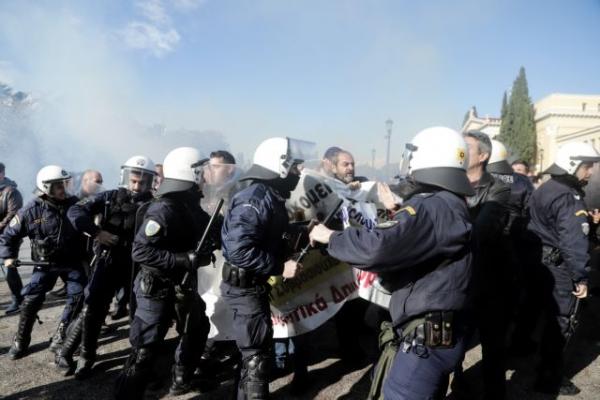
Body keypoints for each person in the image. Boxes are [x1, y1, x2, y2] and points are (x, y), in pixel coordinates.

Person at [310, 126, 474, 399]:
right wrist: (399, 213)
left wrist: (330, 237)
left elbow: (377, 248)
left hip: (425, 341)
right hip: (441, 331)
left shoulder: (430, 206)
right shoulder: (450, 202)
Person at [115, 147, 216, 399]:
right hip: (156, 285)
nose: (205, 177)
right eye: (201, 172)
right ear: (189, 173)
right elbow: (140, 252)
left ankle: (181, 379)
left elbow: (212, 227)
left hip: (181, 284)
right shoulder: (164, 209)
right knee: (145, 350)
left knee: (197, 329)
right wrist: (183, 259)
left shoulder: (189, 205)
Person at [220, 137, 312, 399]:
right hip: (244, 289)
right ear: (279, 166)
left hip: (252, 287)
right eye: (294, 167)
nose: (298, 172)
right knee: (256, 361)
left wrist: (303, 231)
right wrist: (280, 267)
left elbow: (271, 232)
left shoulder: (267, 196)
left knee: (254, 355)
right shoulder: (256, 198)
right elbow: (239, 251)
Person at [55, 156, 157, 379]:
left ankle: (138, 360)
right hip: (108, 260)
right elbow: (75, 212)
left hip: (138, 266)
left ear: (150, 182)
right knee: (93, 309)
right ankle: (86, 356)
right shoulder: (109, 197)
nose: (136, 186)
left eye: (142, 182)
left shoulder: (155, 204)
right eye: (133, 181)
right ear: (125, 177)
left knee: (140, 313)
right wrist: (97, 232)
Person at [526, 141, 600, 395]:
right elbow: (573, 242)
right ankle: (549, 378)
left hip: (540, 263)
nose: (590, 171)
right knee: (562, 323)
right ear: (572, 164)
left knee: (544, 317)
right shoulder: (569, 196)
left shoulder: (547, 188)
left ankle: (535, 362)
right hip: (559, 269)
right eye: (587, 166)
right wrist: (581, 278)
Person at [0, 165, 86, 359]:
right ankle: (21, 340)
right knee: (31, 299)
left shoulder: (76, 204)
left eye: (65, 184)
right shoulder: (31, 210)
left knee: (78, 296)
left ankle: (61, 336)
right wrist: (8, 257)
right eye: (59, 186)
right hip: (45, 264)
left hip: (72, 262)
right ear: (46, 188)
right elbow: (8, 235)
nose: (64, 189)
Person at [460, 132, 511, 399]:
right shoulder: (449, 182)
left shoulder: (498, 188)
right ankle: (458, 385)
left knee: (493, 344)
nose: (459, 149)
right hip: (458, 277)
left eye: (466, 146)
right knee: (454, 342)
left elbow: (482, 229)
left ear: (483, 156)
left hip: (490, 278)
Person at [0, 162, 24, 314]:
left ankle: (18, 299)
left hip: (9, 235)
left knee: (9, 266)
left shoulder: (11, 192)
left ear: (2, 174)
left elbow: (14, 214)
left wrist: (0, 225)